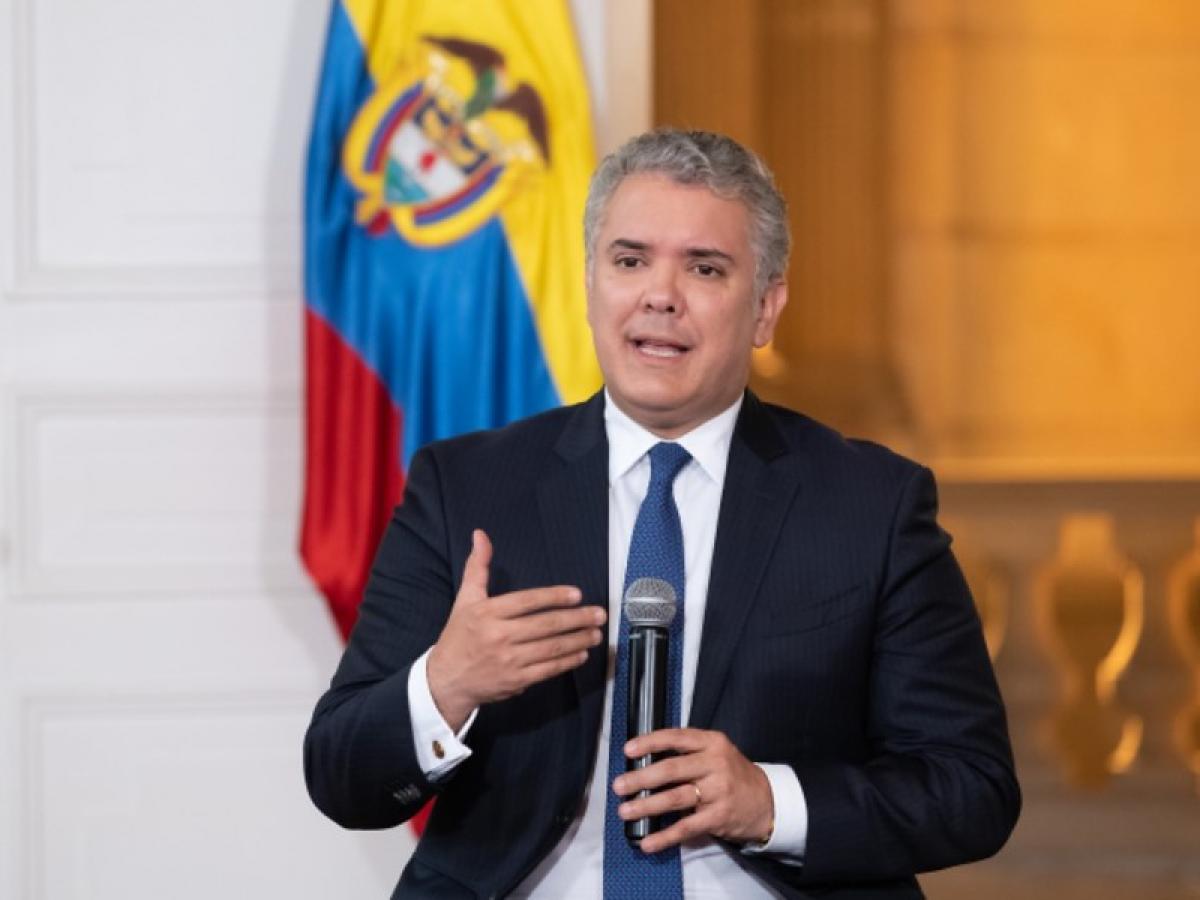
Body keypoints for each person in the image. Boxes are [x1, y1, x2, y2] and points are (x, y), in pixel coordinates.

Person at [304, 129, 1020, 899]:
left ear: (765, 309)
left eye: (704, 268)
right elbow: (341, 776)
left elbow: (971, 788)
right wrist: (449, 683)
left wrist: (768, 802)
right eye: (630, 260)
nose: (660, 295)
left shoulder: (871, 505)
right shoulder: (467, 487)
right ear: (590, 285)